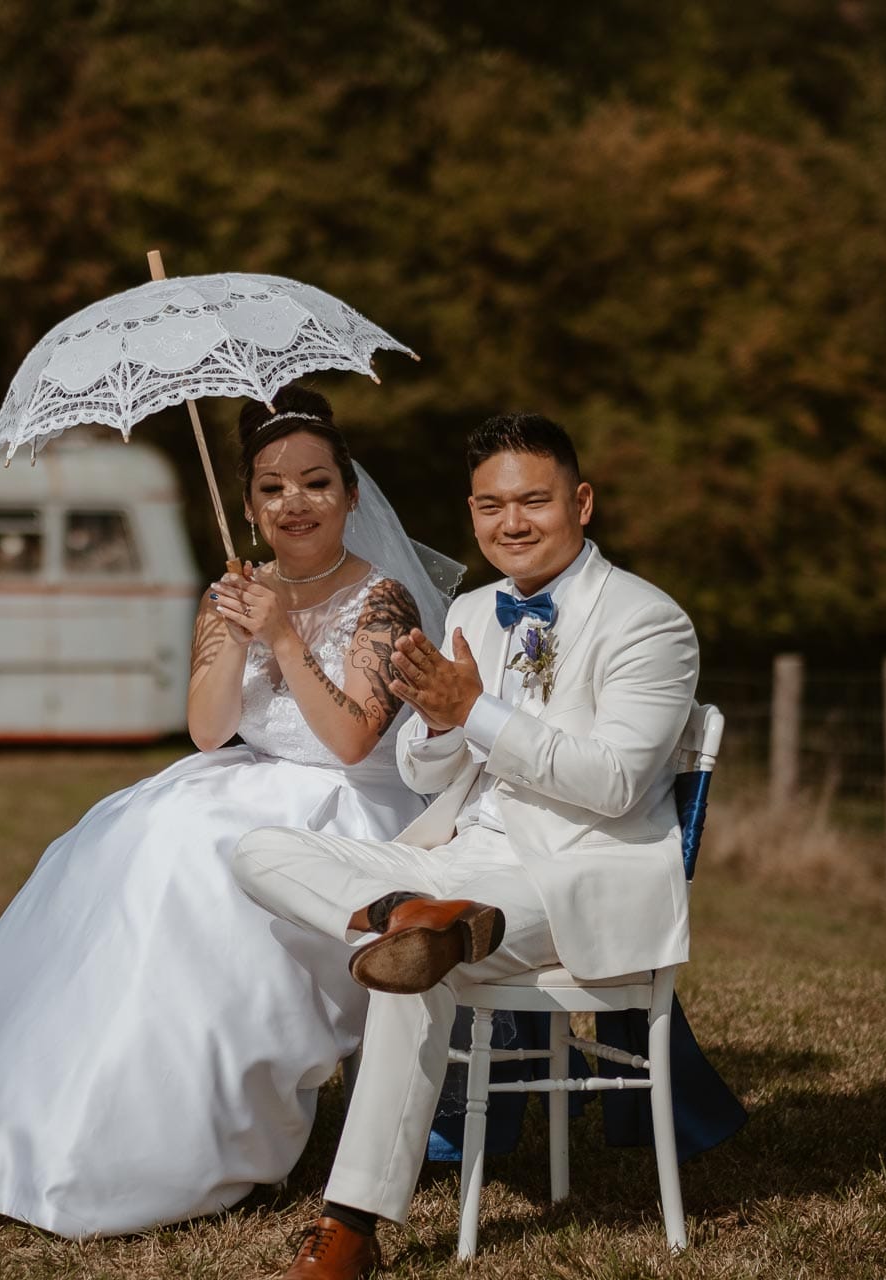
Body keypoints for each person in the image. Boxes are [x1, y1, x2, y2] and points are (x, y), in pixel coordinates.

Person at [0, 385, 461, 1239]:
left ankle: (193, 1131)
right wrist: (238, 634)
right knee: (131, 836)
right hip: (244, 775)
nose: (296, 503)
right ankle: (75, 1104)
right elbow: (209, 732)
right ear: (249, 504)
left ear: (351, 495)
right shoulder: (232, 597)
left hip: (350, 801)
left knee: (191, 859)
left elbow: (353, 741)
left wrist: (287, 640)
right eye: (273, 487)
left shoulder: (383, 598)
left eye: (317, 483)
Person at [232, 412, 700, 1278]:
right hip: (455, 863)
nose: (510, 523)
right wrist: (445, 722)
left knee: (419, 963)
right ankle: (407, 915)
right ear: (472, 512)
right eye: (490, 506)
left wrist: (477, 710)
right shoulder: (475, 608)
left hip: (570, 872)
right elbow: (420, 765)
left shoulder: (649, 622)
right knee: (257, 850)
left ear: (582, 501)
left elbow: (615, 785)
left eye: (533, 501)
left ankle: (349, 1229)